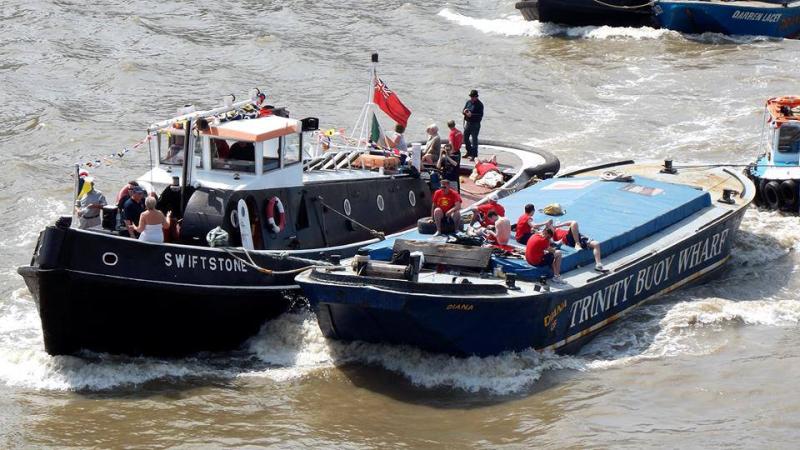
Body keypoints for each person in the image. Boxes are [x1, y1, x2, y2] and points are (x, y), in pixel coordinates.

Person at [462, 89, 484, 161]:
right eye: (471, 97)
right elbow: (463, 110)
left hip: (475, 124)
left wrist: (471, 115)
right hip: (468, 123)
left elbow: (480, 115)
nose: (471, 98)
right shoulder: (468, 102)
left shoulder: (480, 105)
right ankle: (469, 151)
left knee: (474, 140)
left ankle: (474, 155)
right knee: (465, 138)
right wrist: (465, 112)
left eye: (473, 97)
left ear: (476, 97)